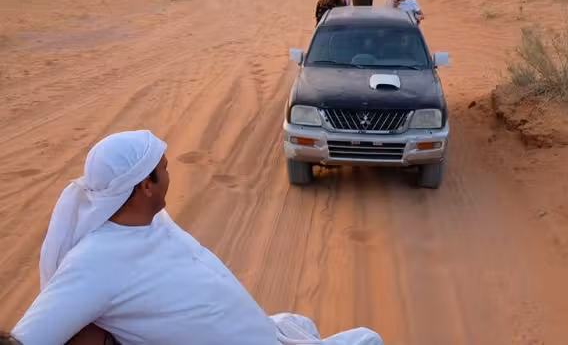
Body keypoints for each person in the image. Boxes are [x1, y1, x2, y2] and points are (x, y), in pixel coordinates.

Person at [12, 130, 382, 345]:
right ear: (145, 186)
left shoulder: (152, 220)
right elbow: (27, 337)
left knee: (308, 324)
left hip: (268, 334)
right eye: (165, 170)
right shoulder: (94, 264)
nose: (171, 176)